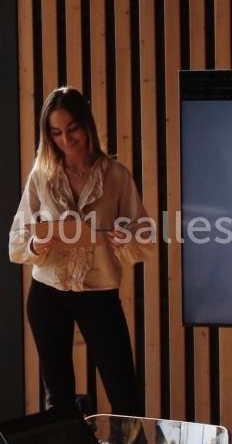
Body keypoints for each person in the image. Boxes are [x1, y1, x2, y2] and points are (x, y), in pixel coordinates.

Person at [9, 87, 156, 416]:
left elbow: (144, 237)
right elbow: (17, 239)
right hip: (47, 293)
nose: (65, 139)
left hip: (100, 292)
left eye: (72, 128)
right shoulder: (41, 175)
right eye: (56, 132)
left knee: (123, 391)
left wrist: (124, 238)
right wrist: (37, 244)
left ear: (86, 125)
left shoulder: (116, 176)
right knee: (57, 395)